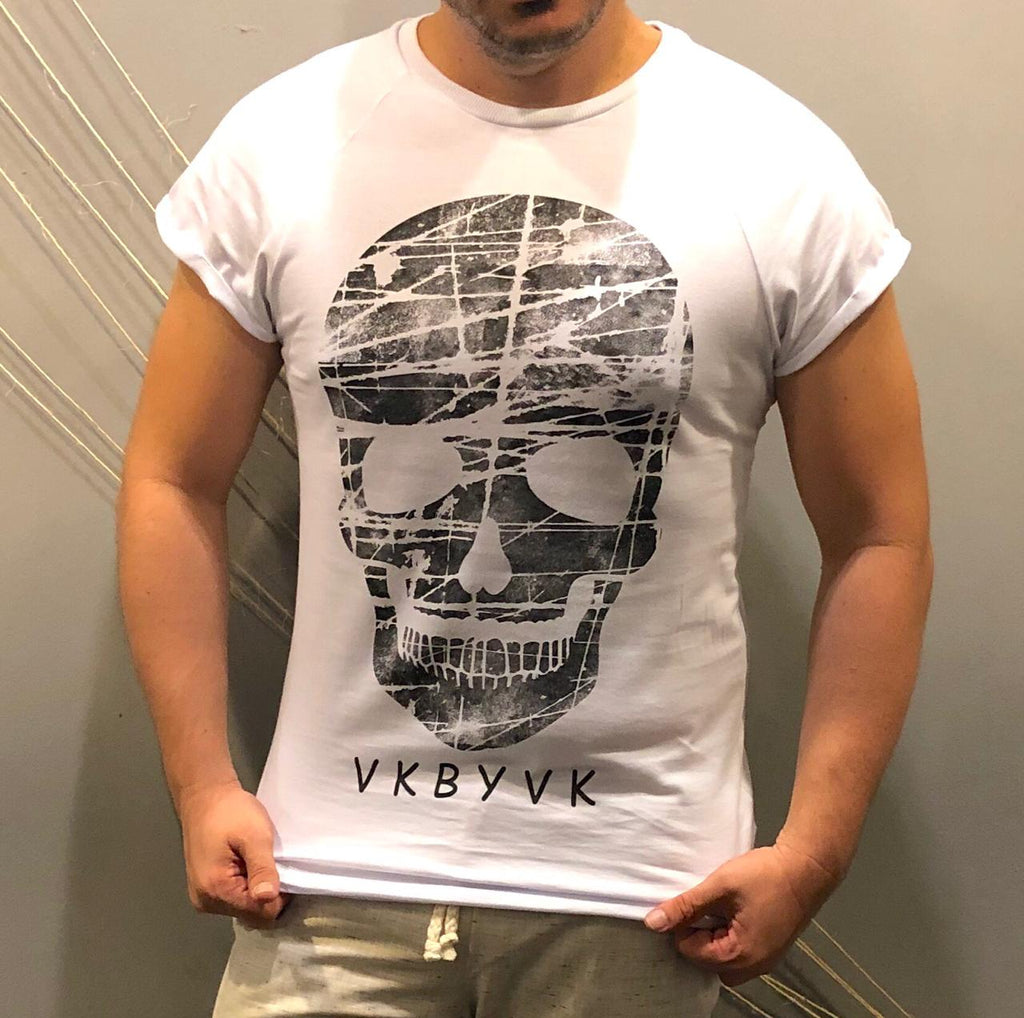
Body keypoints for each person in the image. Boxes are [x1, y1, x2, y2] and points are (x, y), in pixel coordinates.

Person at [115, 1, 933, 1015]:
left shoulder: (781, 175)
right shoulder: (281, 150)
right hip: (320, 882)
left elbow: (879, 535)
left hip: (645, 904)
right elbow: (173, 478)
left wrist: (814, 851)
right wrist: (201, 784)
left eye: (578, 475)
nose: (485, 566)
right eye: (413, 468)